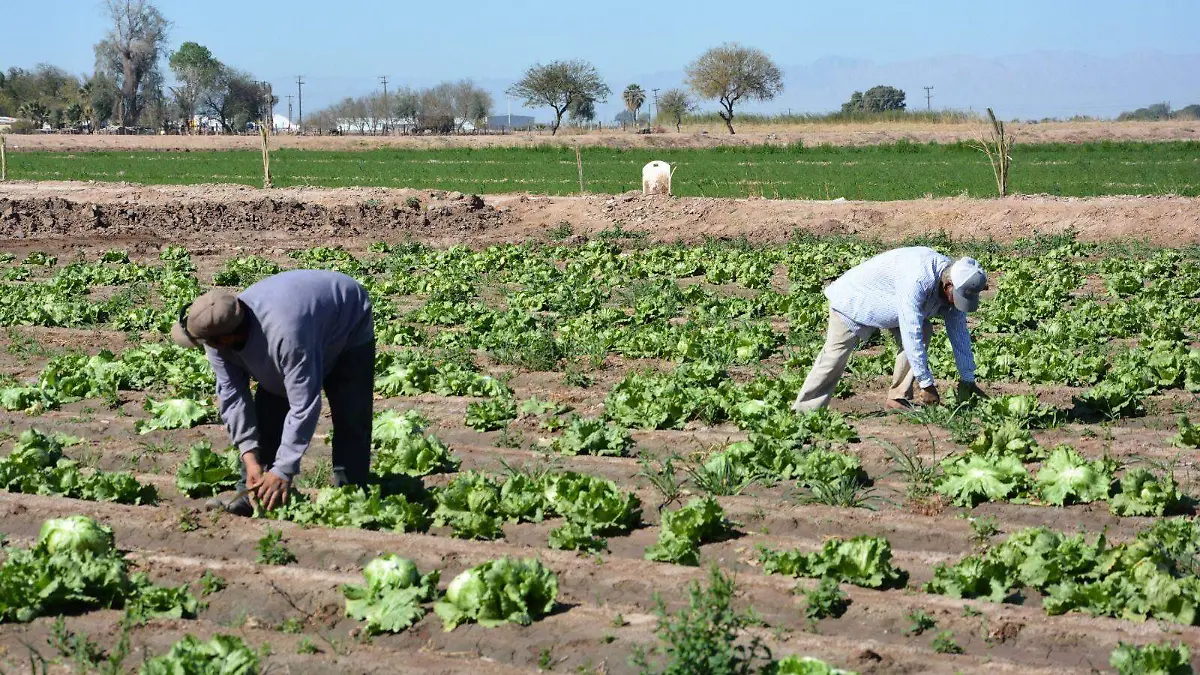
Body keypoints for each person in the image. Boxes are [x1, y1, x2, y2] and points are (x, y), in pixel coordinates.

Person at [172, 269, 375, 515]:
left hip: (347, 316)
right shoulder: (219, 334)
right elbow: (232, 397)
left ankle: (350, 497)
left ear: (223, 340)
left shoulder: (287, 338)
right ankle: (251, 493)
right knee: (270, 405)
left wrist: (284, 469)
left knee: (350, 413)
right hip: (302, 318)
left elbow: (304, 405)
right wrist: (250, 458)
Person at [791, 247, 989, 413]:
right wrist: (926, 384)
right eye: (956, 297)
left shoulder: (953, 284)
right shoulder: (918, 277)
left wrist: (968, 380)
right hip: (854, 300)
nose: (956, 303)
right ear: (948, 284)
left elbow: (959, 333)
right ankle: (805, 411)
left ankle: (898, 398)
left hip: (890, 306)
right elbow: (911, 331)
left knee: (924, 331)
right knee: (834, 358)